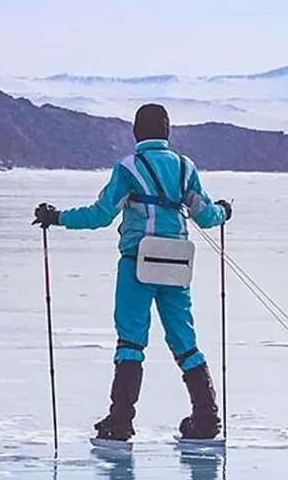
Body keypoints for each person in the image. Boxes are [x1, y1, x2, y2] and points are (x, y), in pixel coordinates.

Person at [32, 103, 231, 442]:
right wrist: (224, 211)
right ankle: (206, 416)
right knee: (184, 341)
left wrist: (58, 217)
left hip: (137, 262)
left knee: (131, 341)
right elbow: (205, 216)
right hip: (177, 264)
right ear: (167, 131)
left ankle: (121, 419)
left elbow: (101, 214)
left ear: (136, 132)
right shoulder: (185, 167)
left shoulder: (128, 168)